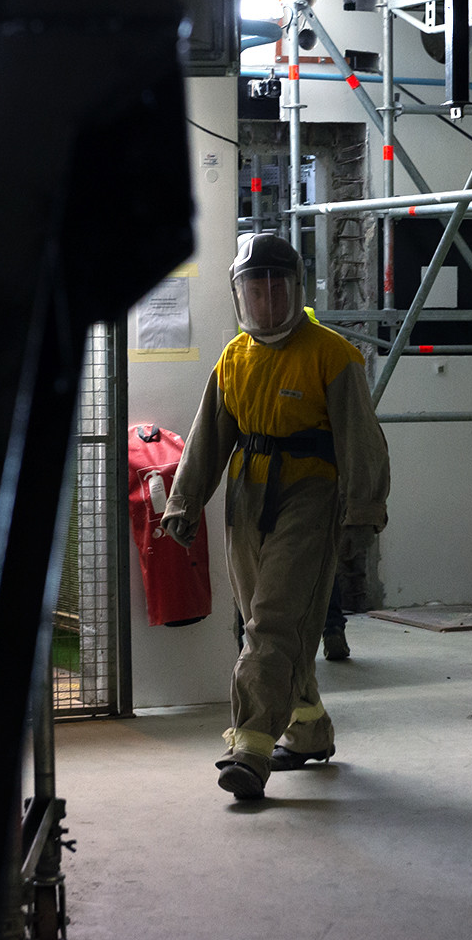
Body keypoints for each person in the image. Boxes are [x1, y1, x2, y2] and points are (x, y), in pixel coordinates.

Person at [162, 233, 389, 801]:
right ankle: (308, 729)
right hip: (247, 494)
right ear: (240, 295)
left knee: (272, 623)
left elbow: (363, 441)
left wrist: (362, 516)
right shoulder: (234, 359)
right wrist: (184, 503)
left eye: (276, 285)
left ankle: (251, 749)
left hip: (312, 495)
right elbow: (207, 439)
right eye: (254, 287)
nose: (266, 298)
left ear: (296, 288)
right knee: (264, 623)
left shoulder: (332, 355)